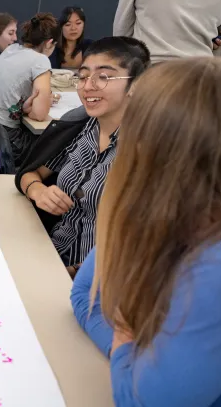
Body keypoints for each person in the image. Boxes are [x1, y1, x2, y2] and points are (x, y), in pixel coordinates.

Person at [71, 57, 221, 406]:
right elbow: (85, 295)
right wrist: (137, 358)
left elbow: (141, 400)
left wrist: (128, 344)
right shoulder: (161, 213)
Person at [16, 37, 151, 274]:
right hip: (49, 254)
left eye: (104, 77)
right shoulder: (82, 128)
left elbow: (150, 247)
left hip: (98, 280)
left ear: (137, 84)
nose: (88, 86)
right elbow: (30, 172)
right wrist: (38, 191)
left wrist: (74, 276)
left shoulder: (150, 150)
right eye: (83, 76)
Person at [0, 13, 60, 165]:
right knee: (57, 146)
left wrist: (28, 107)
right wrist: (46, 98)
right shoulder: (40, 60)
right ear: (49, 43)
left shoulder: (12, 49)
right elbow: (39, 114)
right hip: (6, 139)